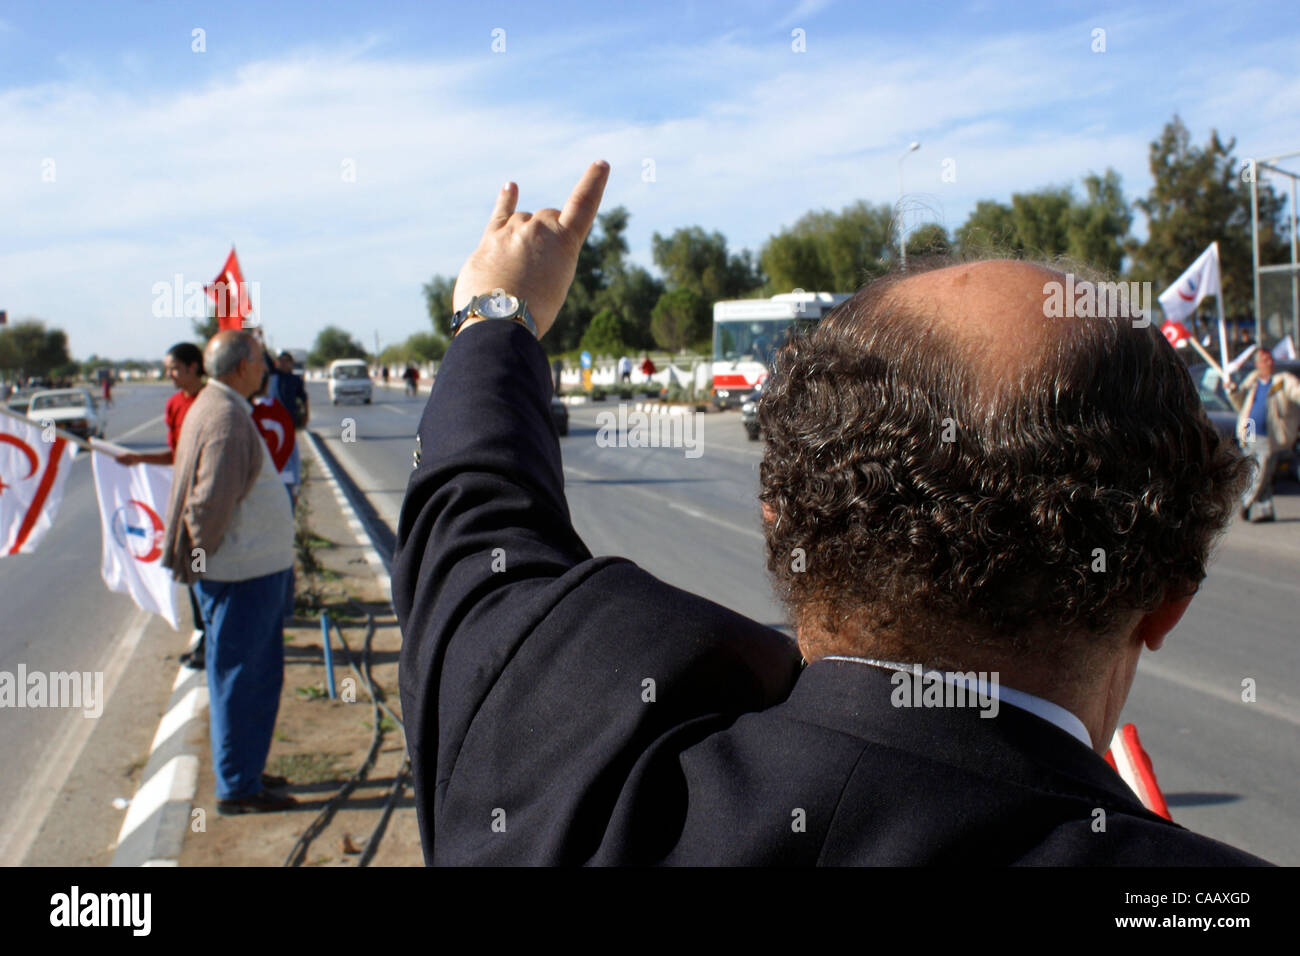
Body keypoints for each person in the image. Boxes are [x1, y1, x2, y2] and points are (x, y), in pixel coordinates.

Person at [392, 162, 1269, 866]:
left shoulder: (565, 758)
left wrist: (495, 316)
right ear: (1168, 598)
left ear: (778, 521)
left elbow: (475, 524)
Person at [161, 330, 296, 814]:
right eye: (259, 360)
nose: (265, 368)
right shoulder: (225, 415)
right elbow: (209, 503)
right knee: (244, 680)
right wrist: (206, 557)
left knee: (241, 678)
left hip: (246, 572)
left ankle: (244, 769)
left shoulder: (219, 405)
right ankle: (239, 787)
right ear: (240, 366)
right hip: (242, 575)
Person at [117, 342, 208, 669]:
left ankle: (214, 635)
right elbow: (176, 456)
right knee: (193, 569)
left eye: (174, 368)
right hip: (187, 502)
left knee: (207, 566)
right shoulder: (174, 405)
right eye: (168, 369)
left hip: (213, 503)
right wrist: (139, 458)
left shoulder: (213, 402)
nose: (169, 374)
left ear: (194, 367)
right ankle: (205, 633)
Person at [1227, 348, 1300, 522]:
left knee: (1262, 467)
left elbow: (1296, 391)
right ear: (1258, 364)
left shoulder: (1282, 381)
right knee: (1256, 468)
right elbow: (1239, 403)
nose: (1270, 362)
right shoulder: (1252, 381)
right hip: (1250, 428)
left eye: (1270, 359)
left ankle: (1247, 501)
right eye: (1265, 360)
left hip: (1270, 434)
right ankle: (1264, 510)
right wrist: (1232, 391)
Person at [265, 350, 308, 507]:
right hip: (273, 424)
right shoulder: (273, 376)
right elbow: (264, 357)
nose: (283, 363)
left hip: (289, 423)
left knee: (291, 457)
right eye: (280, 360)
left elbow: (303, 398)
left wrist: (305, 416)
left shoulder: (295, 380)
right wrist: (258, 335)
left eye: (286, 360)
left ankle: (293, 489)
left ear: (291, 363)